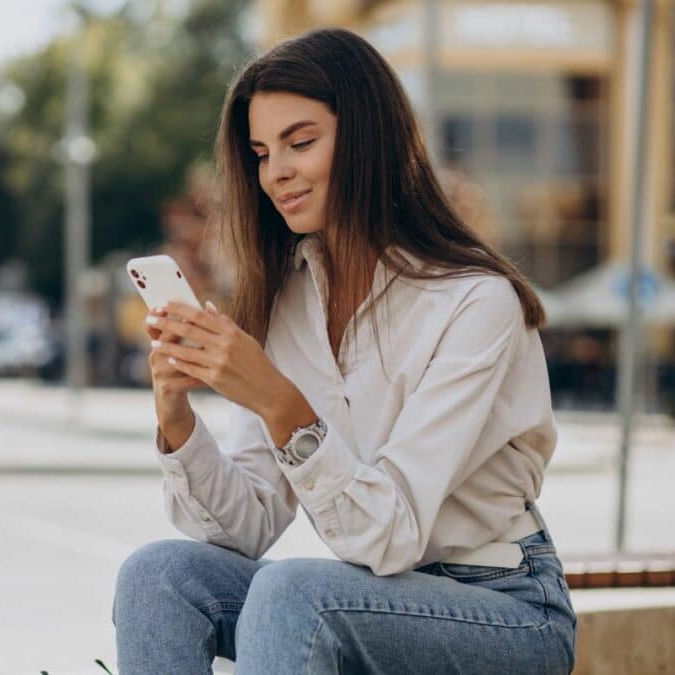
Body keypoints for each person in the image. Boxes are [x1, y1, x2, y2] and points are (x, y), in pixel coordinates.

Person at [112, 28, 576, 674]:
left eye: (301, 142)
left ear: (365, 137)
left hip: (505, 607)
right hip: (370, 594)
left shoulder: (475, 303)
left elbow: (391, 530)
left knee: (295, 593)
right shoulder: (284, 303)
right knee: (158, 576)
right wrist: (176, 417)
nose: (276, 173)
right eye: (261, 152)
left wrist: (279, 400)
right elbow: (245, 526)